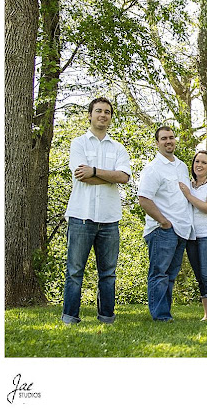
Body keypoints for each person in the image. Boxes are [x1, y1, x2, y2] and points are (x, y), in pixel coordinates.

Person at [61, 97, 131, 325]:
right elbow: (82, 177)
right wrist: (107, 177)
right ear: (89, 115)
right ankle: (70, 317)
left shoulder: (118, 148)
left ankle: (107, 317)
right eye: (98, 111)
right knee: (74, 272)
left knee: (108, 274)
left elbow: (124, 177)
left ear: (111, 117)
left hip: (109, 219)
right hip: (80, 217)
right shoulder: (78, 143)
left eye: (107, 112)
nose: (103, 115)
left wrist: (94, 171)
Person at [138, 126, 194, 322]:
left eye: (171, 137)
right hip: (163, 230)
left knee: (170, 275)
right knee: (159, 273)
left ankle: (165, 312)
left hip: (181, 229)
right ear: (157, 143)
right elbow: (144, 198)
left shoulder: (182, 166)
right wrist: (163, 222)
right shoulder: (153, 168)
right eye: (164, 138)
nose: (168, 141)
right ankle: (160, 315)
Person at [178, 150, 207, 321]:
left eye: (204, 162)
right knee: (200, 276)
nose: (199, 165)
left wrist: (188, 195)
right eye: (197, 161)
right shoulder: (189, 184)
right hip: (192, 236)